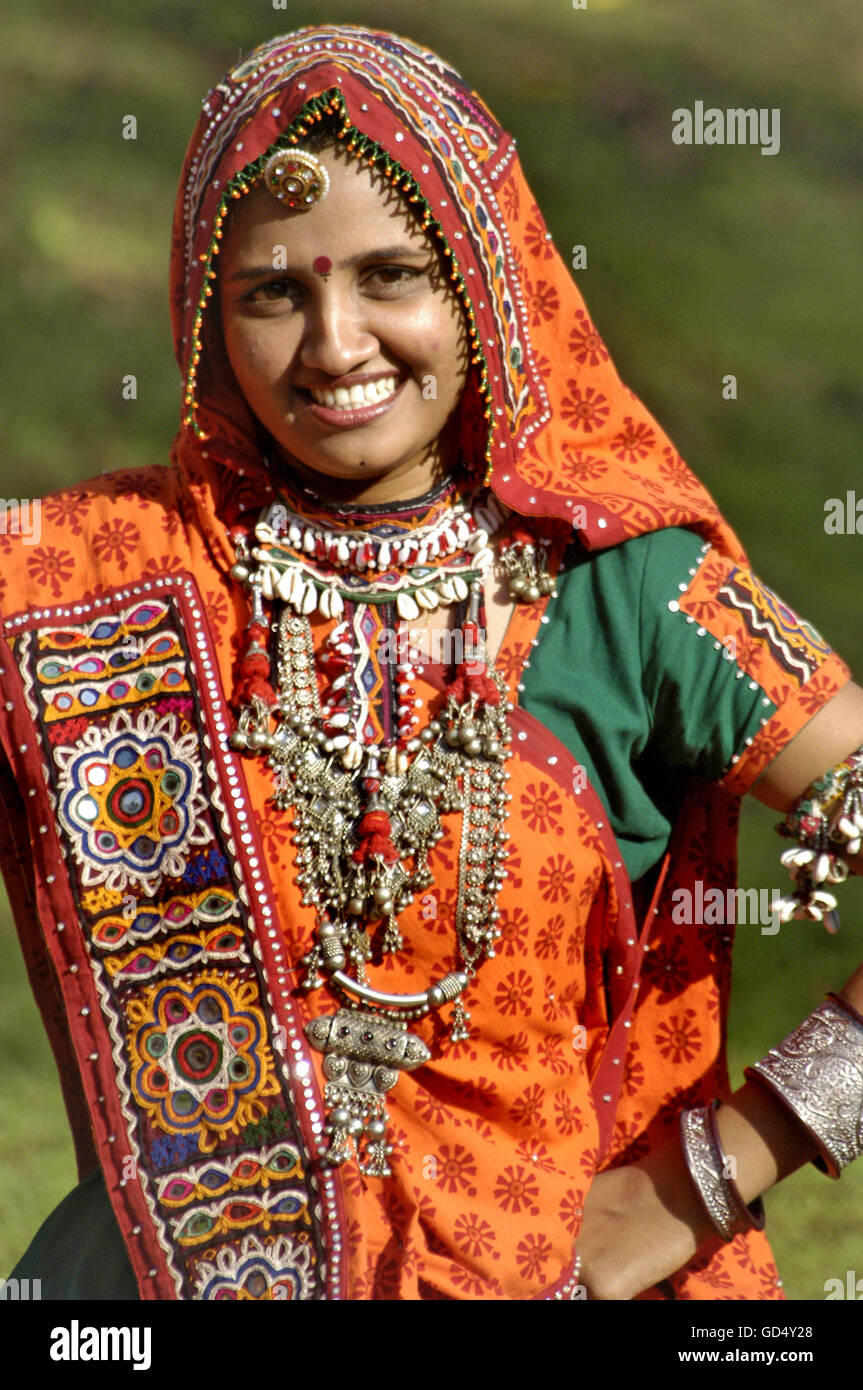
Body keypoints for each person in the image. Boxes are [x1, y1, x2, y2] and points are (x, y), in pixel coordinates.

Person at [3, 23, 863, 1301]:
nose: (335, 344)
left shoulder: (619, 589)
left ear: (482, 282)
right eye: (273, 293)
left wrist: (704, 1176)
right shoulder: (76, 580)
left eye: (392, 277)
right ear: (203, 315)